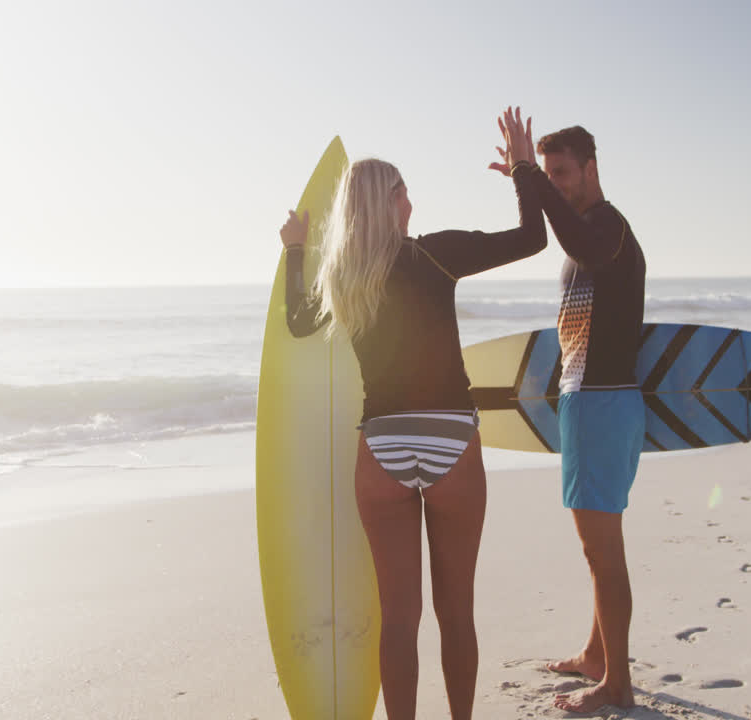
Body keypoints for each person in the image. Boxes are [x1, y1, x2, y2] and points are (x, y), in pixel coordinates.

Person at [277, 108, 545, 720]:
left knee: (398, 619)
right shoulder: (437, 256)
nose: (411, 204)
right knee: (456, 613)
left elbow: (297, 321)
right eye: (404, 193)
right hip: (452, 442)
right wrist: (523, 169)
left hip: (382, 452)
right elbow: (532, 238)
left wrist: (296, 251)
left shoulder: (341, 276)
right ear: (389, 203)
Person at [491, 124, 646, 713]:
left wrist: (531, 176)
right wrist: (523, 181)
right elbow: (558, 232)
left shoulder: (608, 228)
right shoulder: (587, 237)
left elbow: (578, 238)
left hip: (603, 405)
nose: (557, 183)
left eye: (563, 173)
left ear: (591, 167)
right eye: (549, 173)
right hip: (588, 403)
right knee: (596, 552)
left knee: (604, 553)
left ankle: (619, 685)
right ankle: (597, 655)